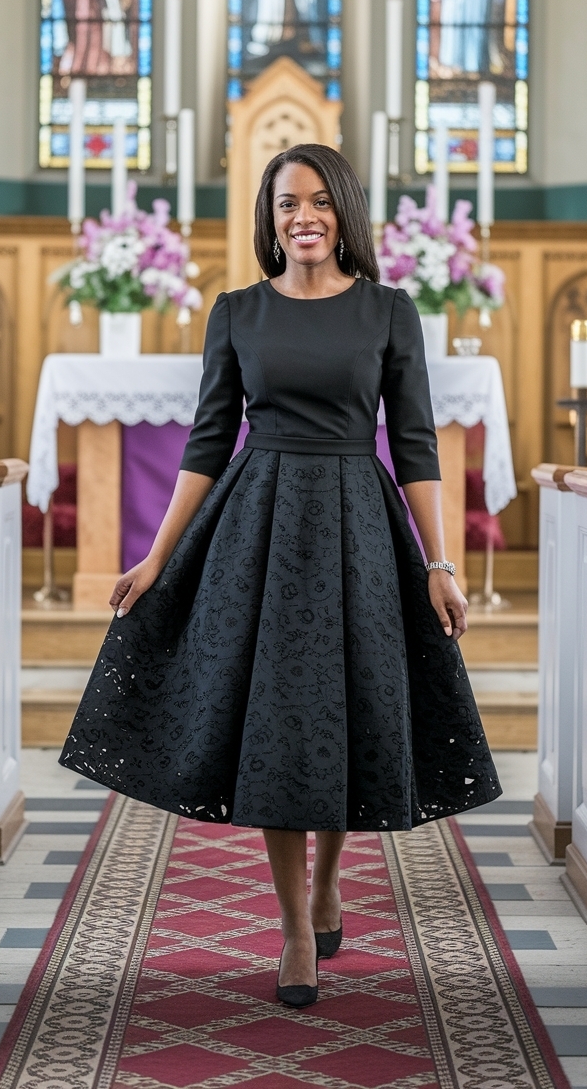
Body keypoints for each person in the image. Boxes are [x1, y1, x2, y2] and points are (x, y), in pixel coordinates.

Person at [60, 144, 501, 1008]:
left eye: (318, 202)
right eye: (286, 203)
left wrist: (438, 563)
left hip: (361, 530)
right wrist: (156, 555)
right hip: (258, 528)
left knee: (344, 713)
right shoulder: (235, 312)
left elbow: (415, 446)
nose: (302, 216)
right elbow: (205, 442)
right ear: (269, 219)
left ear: (345, 213)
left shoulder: (389, 311)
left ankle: (331, 881)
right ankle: (296, 925)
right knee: (275, 725)